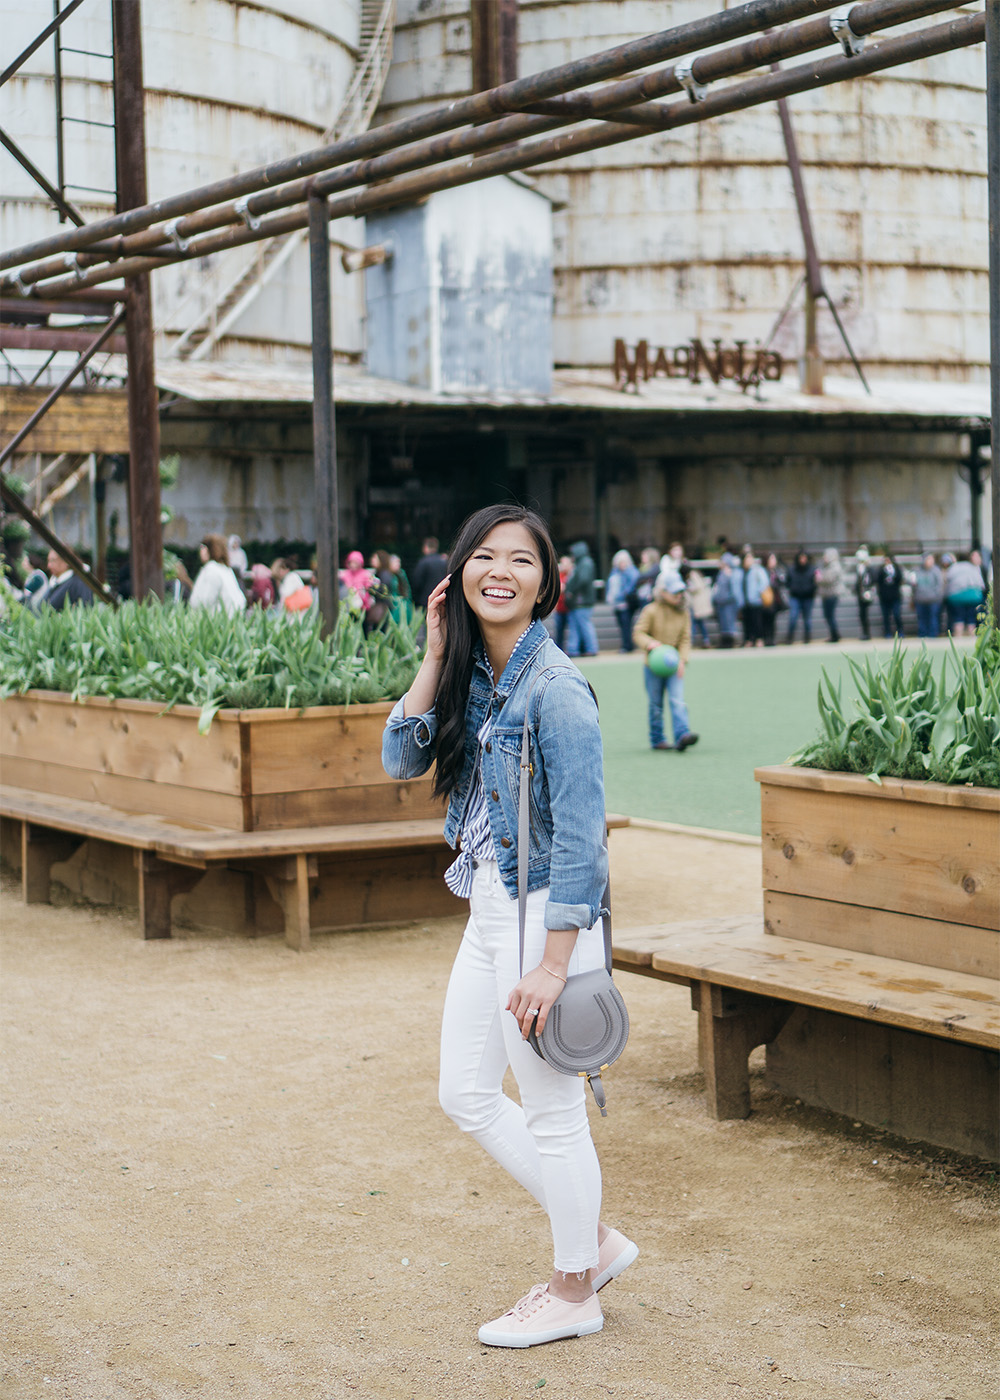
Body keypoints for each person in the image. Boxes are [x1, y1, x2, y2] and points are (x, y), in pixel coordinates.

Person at [381, 504, 637, 1348]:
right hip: (488, 906)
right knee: (464, 1091)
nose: (502, 571)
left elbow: (583, 842)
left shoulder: (556, 687)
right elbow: (400, 757)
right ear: (457, 577)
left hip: (541, 919)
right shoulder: (475, 678)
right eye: (484, 557)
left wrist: (555, 965)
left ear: (546, 583)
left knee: (554, 1107)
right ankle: (592, 1239)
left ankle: (574, 1289)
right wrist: (432, 652)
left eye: (520, 560)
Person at [632, 570, 698, 751]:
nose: (678, 595)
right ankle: (657, 739)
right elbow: (638, 632)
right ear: (662, 592)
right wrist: (650, 643)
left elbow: (685, 639)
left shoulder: (684, 613)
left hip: (673, 664)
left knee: (677, 700)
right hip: (652, 666)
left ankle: (682, 734)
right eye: (674, 592)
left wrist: (683, 660)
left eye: (680, 591)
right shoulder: (651, 610)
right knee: (655, 703)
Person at [189, 535, 246, 615]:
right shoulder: (226, 569)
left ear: (208, 550)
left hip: (216, 620)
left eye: (202, 547)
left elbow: (204, 601)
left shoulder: (211, 569)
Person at [563, 540, 598, 657]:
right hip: (577, 602)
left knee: (584, 625)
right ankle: (573, 650)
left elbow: (583, 580)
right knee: (575, 626)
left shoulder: (585, 563)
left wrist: (571, 591)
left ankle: (592, 648)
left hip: (582, 601)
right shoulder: (581, 563)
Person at [944, 551, 987, 636]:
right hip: (973, 597)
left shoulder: (953, 568)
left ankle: (958, 639)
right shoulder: (973, 568)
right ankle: (971, 640)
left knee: (958, 619)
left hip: (956, 597)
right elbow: (981, 584)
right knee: (971, 619)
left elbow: (947, 580)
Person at [605, 548, 639, 651]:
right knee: (622, 625)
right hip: (617, 603)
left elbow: (632, 585)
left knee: (626, 625)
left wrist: (622, 594)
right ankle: (626, 644)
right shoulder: (615, 572)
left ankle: (627, 645)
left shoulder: (631, 571)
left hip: (626, 603)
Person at [784, 549, 816, 644]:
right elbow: (788, 582)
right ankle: (789, 638)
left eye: (804, 558)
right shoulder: (792, 569)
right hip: (795, 597)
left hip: (808, 597)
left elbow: (815, 583)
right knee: (793, 617)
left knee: (807, 619)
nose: (802, 560)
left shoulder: (811, 569)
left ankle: (807, 638)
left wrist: (811, 590)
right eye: (801, 558)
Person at [409, 536, 449, 610]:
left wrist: (415, 599)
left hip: (425, 601)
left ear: (425, 548)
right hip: (442, 599)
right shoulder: (444, 562)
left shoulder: (423, 562)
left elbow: (416, 582)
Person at [739, 551, 770, 647]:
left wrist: (759, 593)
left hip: (756, 600)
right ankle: (748, 639)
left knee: (757, 621)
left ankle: (759, 639)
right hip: (745, 601)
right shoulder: (742, 572)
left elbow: (764, 583)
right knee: (747, 622)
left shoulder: (757, 570)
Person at [711, 556, 741, 648]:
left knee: (728, 623)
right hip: (721, 603)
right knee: (723, 624)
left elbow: (733, 591)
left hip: (728, 603)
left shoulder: (730, 574)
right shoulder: (721, 574)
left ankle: (729, 642)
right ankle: (724, 640)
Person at [817, 547, 845, 644]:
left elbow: (828, 579)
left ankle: (835, 635)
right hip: (826, 594)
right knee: (827, 615)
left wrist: (819, 578)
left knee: (830, 615)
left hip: (832, 594)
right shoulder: (826, 566)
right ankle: (833, 634)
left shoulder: (835, 566)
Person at [913, 552, 944, 638]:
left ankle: (933, 635)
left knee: (933, 618)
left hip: (933, 600)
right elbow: (914, 584)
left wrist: (936, 596)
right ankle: (922, 635)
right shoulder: (917, 571)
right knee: (921, 619)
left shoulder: (936, 571)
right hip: (920, 599)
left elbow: (939, 585)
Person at [683, 561, 713, 648]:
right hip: (696, 604)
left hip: (698, 603)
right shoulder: (694, 574)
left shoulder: (693, 575)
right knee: (699, 623)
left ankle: (699, 640)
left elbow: (698, 587)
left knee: (697, 623)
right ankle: (704, 640)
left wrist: (688, 589)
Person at [876, 551, 904, 638]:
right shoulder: (881, 570)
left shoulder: (896, 569)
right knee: (886, 616)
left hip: (895, 596)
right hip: (884, 597)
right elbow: (878, 581)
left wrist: (893, 572)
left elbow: (900, 579)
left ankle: (900, 631)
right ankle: (887, 632)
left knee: (896, 614)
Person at [761, 552, 786, 647]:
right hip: (765, 599)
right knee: (765, 620)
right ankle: (765, 638)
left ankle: (771, 638)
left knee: (772, 620)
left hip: (775, 599)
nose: (773, 561)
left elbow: (783, 582)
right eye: (771, 559)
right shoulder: (763, 571)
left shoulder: (778, 571)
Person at [339, 550, 375, 616]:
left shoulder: (365, 574)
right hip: (348, 604)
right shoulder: (344, 574)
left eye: (355, 563)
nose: (353, 565)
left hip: (362, 606)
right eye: (351, 562)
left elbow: (368, 589)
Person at [853, 546, 876, 641]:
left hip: (867, 594)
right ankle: (865, 632)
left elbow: (870, 580)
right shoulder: (859, 569)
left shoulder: (869, 569)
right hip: (861, 594)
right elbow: (858, 582)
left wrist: (868, 590)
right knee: (862, 614)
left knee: (865, 614)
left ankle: (867, 633)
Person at [552, 553, 573, 650]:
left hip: (570, 608)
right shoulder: (559, 575)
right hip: (560, 608)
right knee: (559, 631)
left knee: (572, 631)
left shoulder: (571, 575)